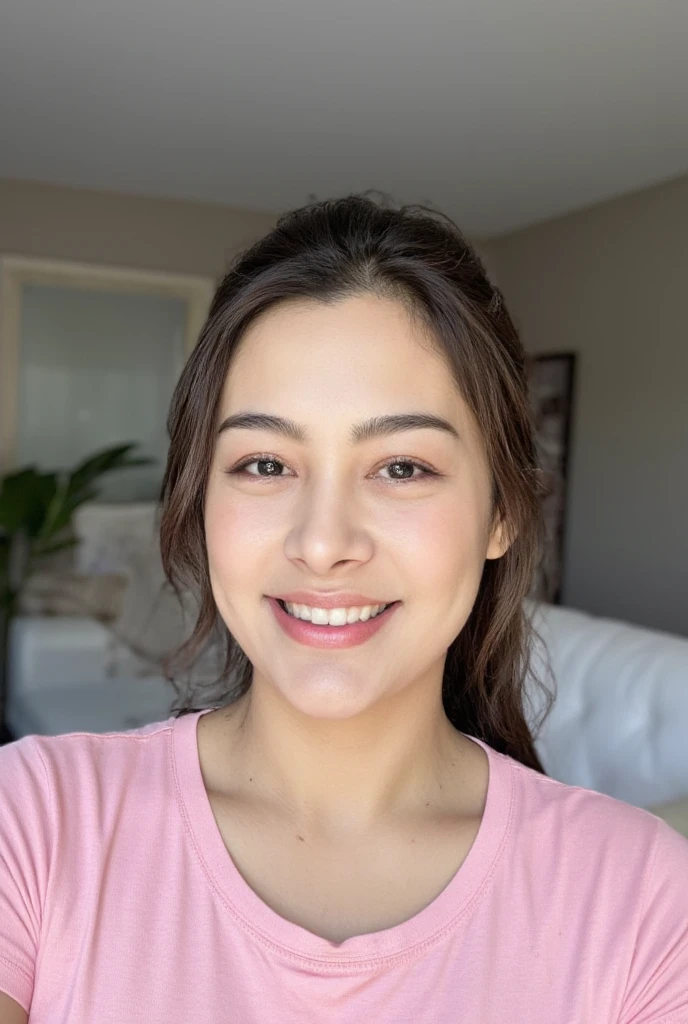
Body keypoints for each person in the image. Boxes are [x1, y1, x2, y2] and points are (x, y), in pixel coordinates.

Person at [1, 194, 686, 1023]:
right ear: (199, 500)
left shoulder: (644, 898)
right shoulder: (33, 823)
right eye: (263, 464)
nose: (323, 543)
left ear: (502, 511)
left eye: (401, 467)